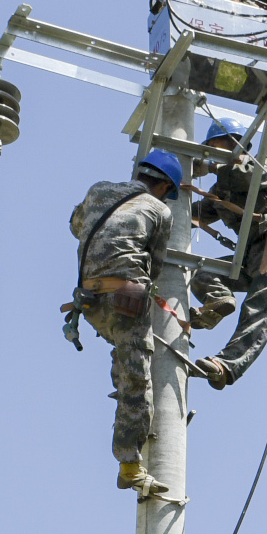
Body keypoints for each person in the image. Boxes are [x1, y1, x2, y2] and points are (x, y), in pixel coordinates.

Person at [63, 149, 184, 492]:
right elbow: (155, 265)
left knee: (124, 360)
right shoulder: (159, 210)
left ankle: (130, 442)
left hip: (89, 302)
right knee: (136, 383)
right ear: (163, 186)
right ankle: (130, 464)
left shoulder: (98, 189)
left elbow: (77, 225)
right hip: (126, 302)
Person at [185, 137, 267, 390]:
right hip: (250, 260)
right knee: (200, 271)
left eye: (215, 147)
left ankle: (226, 366)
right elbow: (191, 214)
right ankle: (217, 303)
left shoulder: (264, 160)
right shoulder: (221, 193)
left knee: (258, 311)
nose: (211, 154)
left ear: (234, 143)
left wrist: (211, 167)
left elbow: (247, 176)